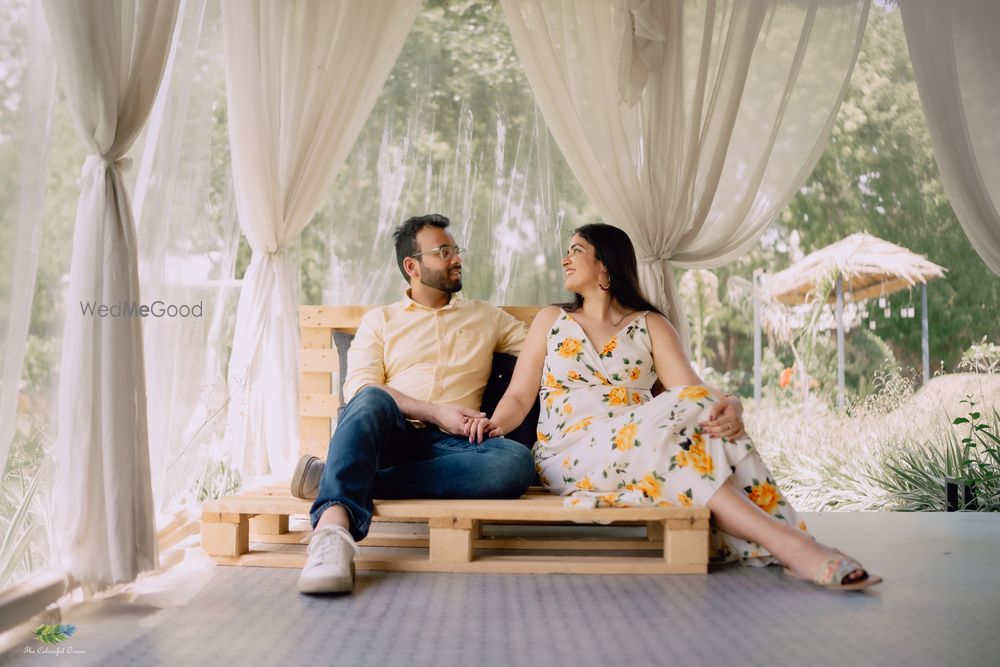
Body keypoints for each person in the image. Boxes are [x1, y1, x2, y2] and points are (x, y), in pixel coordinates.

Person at [468, 223, 881, 591]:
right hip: (571, 451)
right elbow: (520, 398)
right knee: (676, 430)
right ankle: (794, 543)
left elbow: (693, 393)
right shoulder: (551, 320)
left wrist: (732, 404)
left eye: (576, 249)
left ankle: (789, 545)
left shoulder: (650, 324)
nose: (565, 258)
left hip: (647, 440)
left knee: (695, 414)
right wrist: (491, 428)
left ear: (605, 267)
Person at [292, 214, 535, 594]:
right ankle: (332, 533)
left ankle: (336, 479)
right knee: (372, 395)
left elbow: (545, 353)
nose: (456, 259)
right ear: (413, 266)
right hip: (390, 437)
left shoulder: (488, 317)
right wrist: (436, 411)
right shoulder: (381, 321)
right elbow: (359, 390)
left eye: (456, 251)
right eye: (443, 252)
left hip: (454, 448)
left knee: (515, 461)